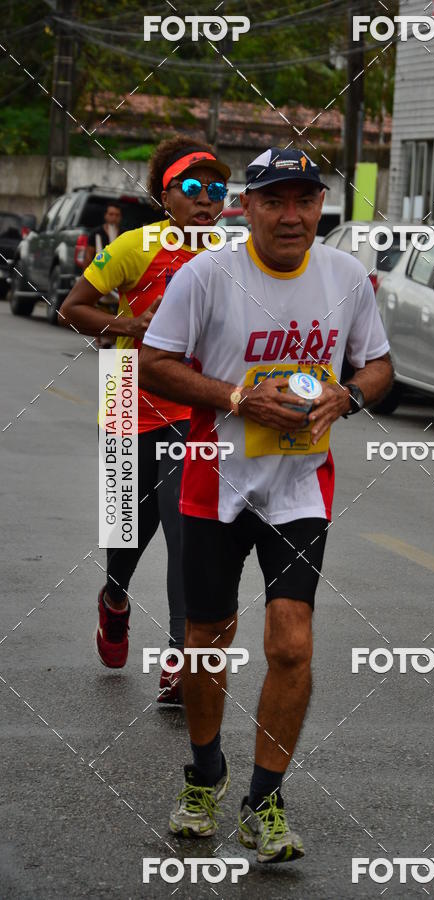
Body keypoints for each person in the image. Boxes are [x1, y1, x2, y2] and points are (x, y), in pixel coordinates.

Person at [139, 147, 393, 861]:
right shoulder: (207, 275)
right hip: (214, 481)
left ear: (321, 207)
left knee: (291, 643)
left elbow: (378, 363)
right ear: (245, 206)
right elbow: (155, 361)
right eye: (275, 201)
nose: (292, 216)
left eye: (305, 201)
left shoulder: (345, 278)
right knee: (208, 642)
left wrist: (351, 393)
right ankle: (204, 775)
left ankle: (265, 799)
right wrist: (234, 397)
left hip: (299, 487)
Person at [61, 137, 231, 704]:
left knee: (186, 532)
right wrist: (134, 326)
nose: (206, 199)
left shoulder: (231, 254)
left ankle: (180, 659)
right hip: (125, 400)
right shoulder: (135, 247)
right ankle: (114, 601)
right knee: (125, 537)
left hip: (192, 409)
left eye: (216, 190)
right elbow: (73, 307)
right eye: (192, 187)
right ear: (166, 197)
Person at [84, 203, 123, 348]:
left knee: (116, 309)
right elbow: (89, 256)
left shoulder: (124, 234)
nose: (114, 218)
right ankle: (102, 336)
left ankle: (109, 337)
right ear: (106, 216)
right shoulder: (96, 234)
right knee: (101, 308)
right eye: (111, 214)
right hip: (100, 277)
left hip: (118, 279)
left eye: (117, 215)